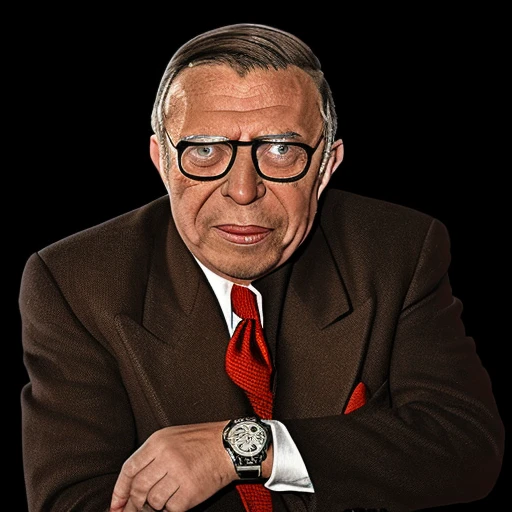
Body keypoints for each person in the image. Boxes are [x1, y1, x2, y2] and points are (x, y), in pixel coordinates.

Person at [19, 23, 504, 512]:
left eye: (281, 150)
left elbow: (465, 447)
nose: (244, 190)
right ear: (161, 161)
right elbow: (74, 501)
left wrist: (246, 448)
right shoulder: (72, 282)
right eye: (204, 151)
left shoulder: (399, 250)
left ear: (326, 167)